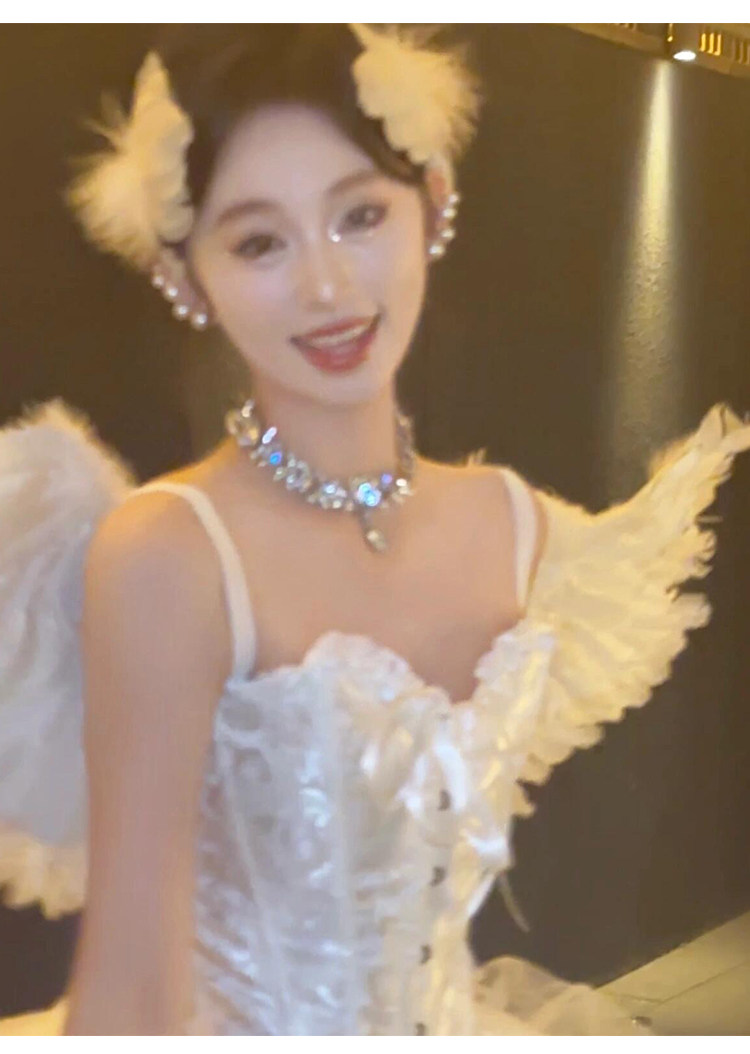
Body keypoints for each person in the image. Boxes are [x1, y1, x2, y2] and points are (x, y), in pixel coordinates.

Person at [0, 24, 748, 1036]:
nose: (327, 286)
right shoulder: (169, 552)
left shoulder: (513, 523)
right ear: (187, 275)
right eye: (260, 241)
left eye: (358, 216)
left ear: (432, 207)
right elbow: (131, 993)